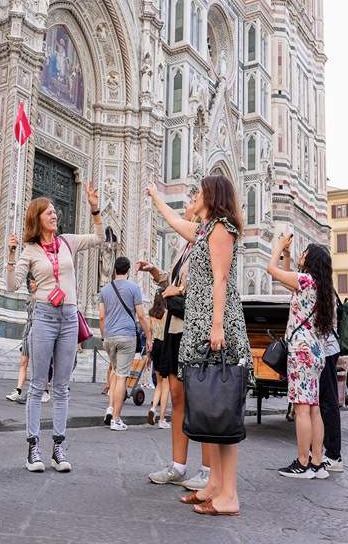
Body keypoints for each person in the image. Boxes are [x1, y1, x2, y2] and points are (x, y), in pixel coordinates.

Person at [147, 175, 251, 516]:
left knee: (222, 408)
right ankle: (214, 486)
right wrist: (154, 195)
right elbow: (175, 220)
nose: (196, 195)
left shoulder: (222, 228)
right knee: (208, 405)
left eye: (201, 191)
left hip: (216, 326)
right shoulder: (205, 231)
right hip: (200, 324)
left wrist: (217, 325)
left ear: (213, 196)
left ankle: (229, 495)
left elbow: (221, 277)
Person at [6, 183, 104, 472]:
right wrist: (11, 256)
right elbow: (12, 286)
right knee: (37, 385)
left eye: (55, 212)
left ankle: (58, 448)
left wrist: (94, 207)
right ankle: (33, 448)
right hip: (45, 317)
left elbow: (100, 238)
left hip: (70, 317)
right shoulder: (30, 251)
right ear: (37, 218)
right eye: (48, 212)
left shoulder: (67, 242)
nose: (54, 215)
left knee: (62, 386)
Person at [140, 191, 212, 490]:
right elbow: (176, 284)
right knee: (179, 398)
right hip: (174, 328)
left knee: (201, 402)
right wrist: (159, 276)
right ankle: (178, 466)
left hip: (194, 329)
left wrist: (156, 195)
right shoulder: (187, 245)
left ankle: (209, 471)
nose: (191, 198)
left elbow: (210, 286)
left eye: (196, 196)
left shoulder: (209, 236)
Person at [268, 238, 336, 479]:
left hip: (301, 351)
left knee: (302, 408)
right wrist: (287, 255)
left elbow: (272, 271)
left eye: (304, 252)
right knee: (314, 407)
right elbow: (288, 277)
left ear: (311, 259)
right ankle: (317, 462)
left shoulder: (304, 281)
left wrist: (277, 247)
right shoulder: (319, 287)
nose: (301, 254)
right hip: (316, 352)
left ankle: (302, 462)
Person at [99, 256, 153, 431]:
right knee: (122, 376)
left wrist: (103, 336)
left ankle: (110, 408)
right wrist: (149, 336)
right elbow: (141, 315)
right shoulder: (134, 288)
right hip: (126, 336)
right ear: (128, 270)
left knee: (114, 373)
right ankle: (116, 419)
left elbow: (101, 316)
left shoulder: (105, 290)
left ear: (114, 269)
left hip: (109, 337)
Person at [7, 274, 37, 402]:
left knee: (38, 365)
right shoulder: (29, 298)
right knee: (23, 362)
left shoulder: (43, 298)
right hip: (28, 330)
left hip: (39, 332)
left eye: (33, 282)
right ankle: (18, 390)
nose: (30, 284)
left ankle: (42, 391)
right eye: (30, 282)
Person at [147, 292, 170, 429]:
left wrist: (148, 355)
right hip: (165, 347)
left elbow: (149, 335)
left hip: (155, 347)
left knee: (159, 384)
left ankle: (153, 408)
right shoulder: (167, 313)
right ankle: (162, 419)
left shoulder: (151, 314)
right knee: (165, 384)